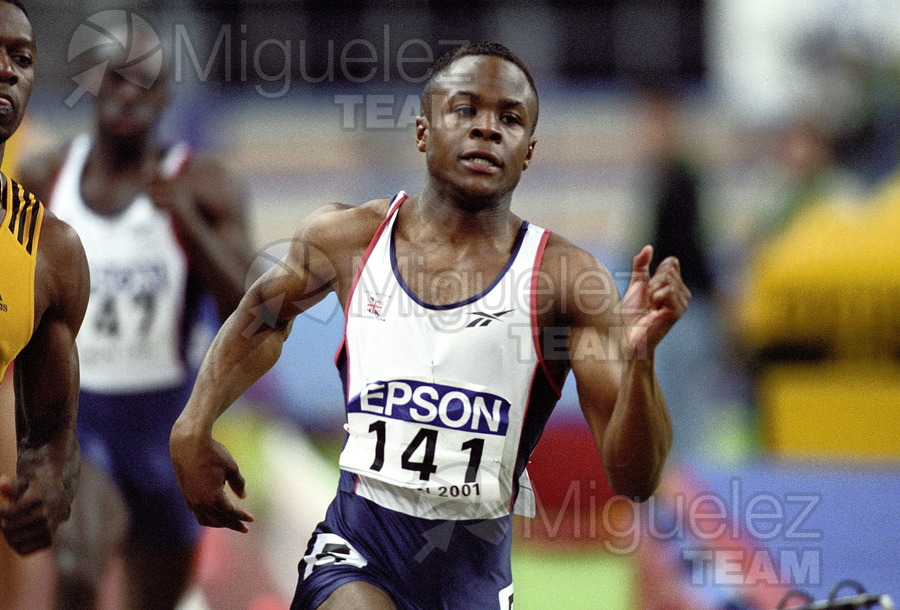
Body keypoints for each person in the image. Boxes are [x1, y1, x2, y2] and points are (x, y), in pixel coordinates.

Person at [170, 42, 690, 609]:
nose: (487, 130)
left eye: (509, 119)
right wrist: (192, 425)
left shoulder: (564, 281)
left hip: (472, 573)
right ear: (422, 131)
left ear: (528, 151)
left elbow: (634, 477)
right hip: (358, 546)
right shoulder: (345, 239)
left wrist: (641, 365)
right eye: (465, 110)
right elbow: (261, 318)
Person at [17, 22, 254, 610]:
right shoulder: (46, 178)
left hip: (167, 426)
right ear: (93, 85)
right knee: (76, 568)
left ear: (166, 95)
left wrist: (189, 225)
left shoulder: (203, 183)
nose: (130, 95)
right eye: (117, 80)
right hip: (79, 412)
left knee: (158, 601)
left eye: (146, 84)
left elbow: (249, 310)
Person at [0, 0, 90, 598]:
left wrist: (48, 482)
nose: (8, 70)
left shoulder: (50, 251)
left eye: (22, 58)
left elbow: (52, 432)